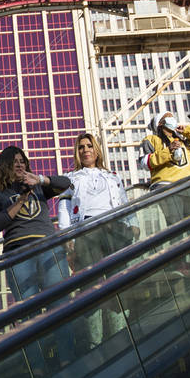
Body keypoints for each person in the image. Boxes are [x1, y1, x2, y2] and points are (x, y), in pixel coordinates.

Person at [57, 133, 133, 350]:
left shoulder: (112, 176)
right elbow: (64, 208)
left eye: (89, 146)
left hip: (114, 228)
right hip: (86, 230)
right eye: (81, 147)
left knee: (118, 281)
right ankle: (95, 343)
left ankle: (120, 337)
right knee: (91, 286)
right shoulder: (70, 178)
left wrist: (132, 222)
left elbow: (124, 202)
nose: (85, 150)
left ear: (97, 149)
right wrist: (67, 236)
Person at [0, 145, 72, 301]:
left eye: (22, 161)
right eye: (14, 162)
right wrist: (21, 200)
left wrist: (40, 179)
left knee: (60, 302)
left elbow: (66, 183)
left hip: (49, 246)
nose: (19, 165)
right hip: (18, 252)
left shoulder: (38, 187)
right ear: (5, 166)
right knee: (28, 307)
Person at [140, 111, 190, 191]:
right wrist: (169, 150)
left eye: (172, 117)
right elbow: (144, 163)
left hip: (189, 186)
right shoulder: (151, 139)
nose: (172, 119)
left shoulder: (184, 140)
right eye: (168, 117)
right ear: (160, 123)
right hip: (164, 186)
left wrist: (187, 131)